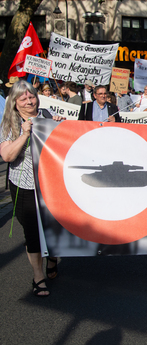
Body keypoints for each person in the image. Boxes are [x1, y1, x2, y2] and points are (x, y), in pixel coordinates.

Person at [0, 80, 65, 296]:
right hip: (24, 184)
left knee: (55, 226)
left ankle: (53, 257)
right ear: (15, 103)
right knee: (32, 232)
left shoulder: (47, 114)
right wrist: (24, 134)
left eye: (32, 96)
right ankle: (38, 277)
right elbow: (7, 155)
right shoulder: (9, 122)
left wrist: (58, 125)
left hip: (51, 183)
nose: (29, 101)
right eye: (23, 98)